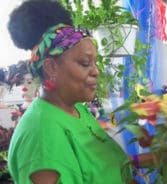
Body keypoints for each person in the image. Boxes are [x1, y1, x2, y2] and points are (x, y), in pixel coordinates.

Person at [7, 1, 138, 183]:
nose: (96, 71)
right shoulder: (42, 137)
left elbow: (104, 164)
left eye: (95, 63)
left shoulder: (76, 110)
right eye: (85, 63)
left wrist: (160, 155)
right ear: (51, 67)